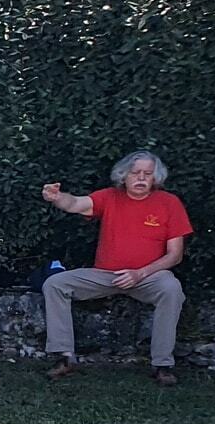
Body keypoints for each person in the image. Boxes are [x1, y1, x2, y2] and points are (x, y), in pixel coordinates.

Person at [39, 150, 193, 386]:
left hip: (148, 276)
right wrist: (57, 197)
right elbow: (76, 203)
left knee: (171, 289)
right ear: (124, 176)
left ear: (156, 178)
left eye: (148, 174)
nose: (141, 178)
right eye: (135, 173)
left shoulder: (169, 203)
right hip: (106, 274)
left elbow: (175, 255)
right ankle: (64, 357)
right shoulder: (110, 196)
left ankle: (162, 364)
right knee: (55, 284)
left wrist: (139, 273)